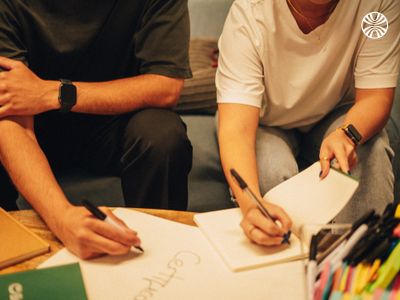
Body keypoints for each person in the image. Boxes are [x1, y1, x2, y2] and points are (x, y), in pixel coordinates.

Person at [0, 0, 193, 259]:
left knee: (162, 134)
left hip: (112, 126)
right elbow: (10, 113)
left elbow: (166, 85)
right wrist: (62, 217)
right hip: (34, 126)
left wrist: (54, 93)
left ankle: (164, 258)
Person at [216, 0, 399, 246]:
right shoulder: (250, 12)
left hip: (336, 115)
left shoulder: (376, 6)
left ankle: (362, 265)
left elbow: (376, 96)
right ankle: (289, 269)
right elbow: (236, 128)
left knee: (371, 153)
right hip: (263, 119)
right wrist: (251, 206)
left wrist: (347, 135)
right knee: (272, 171)